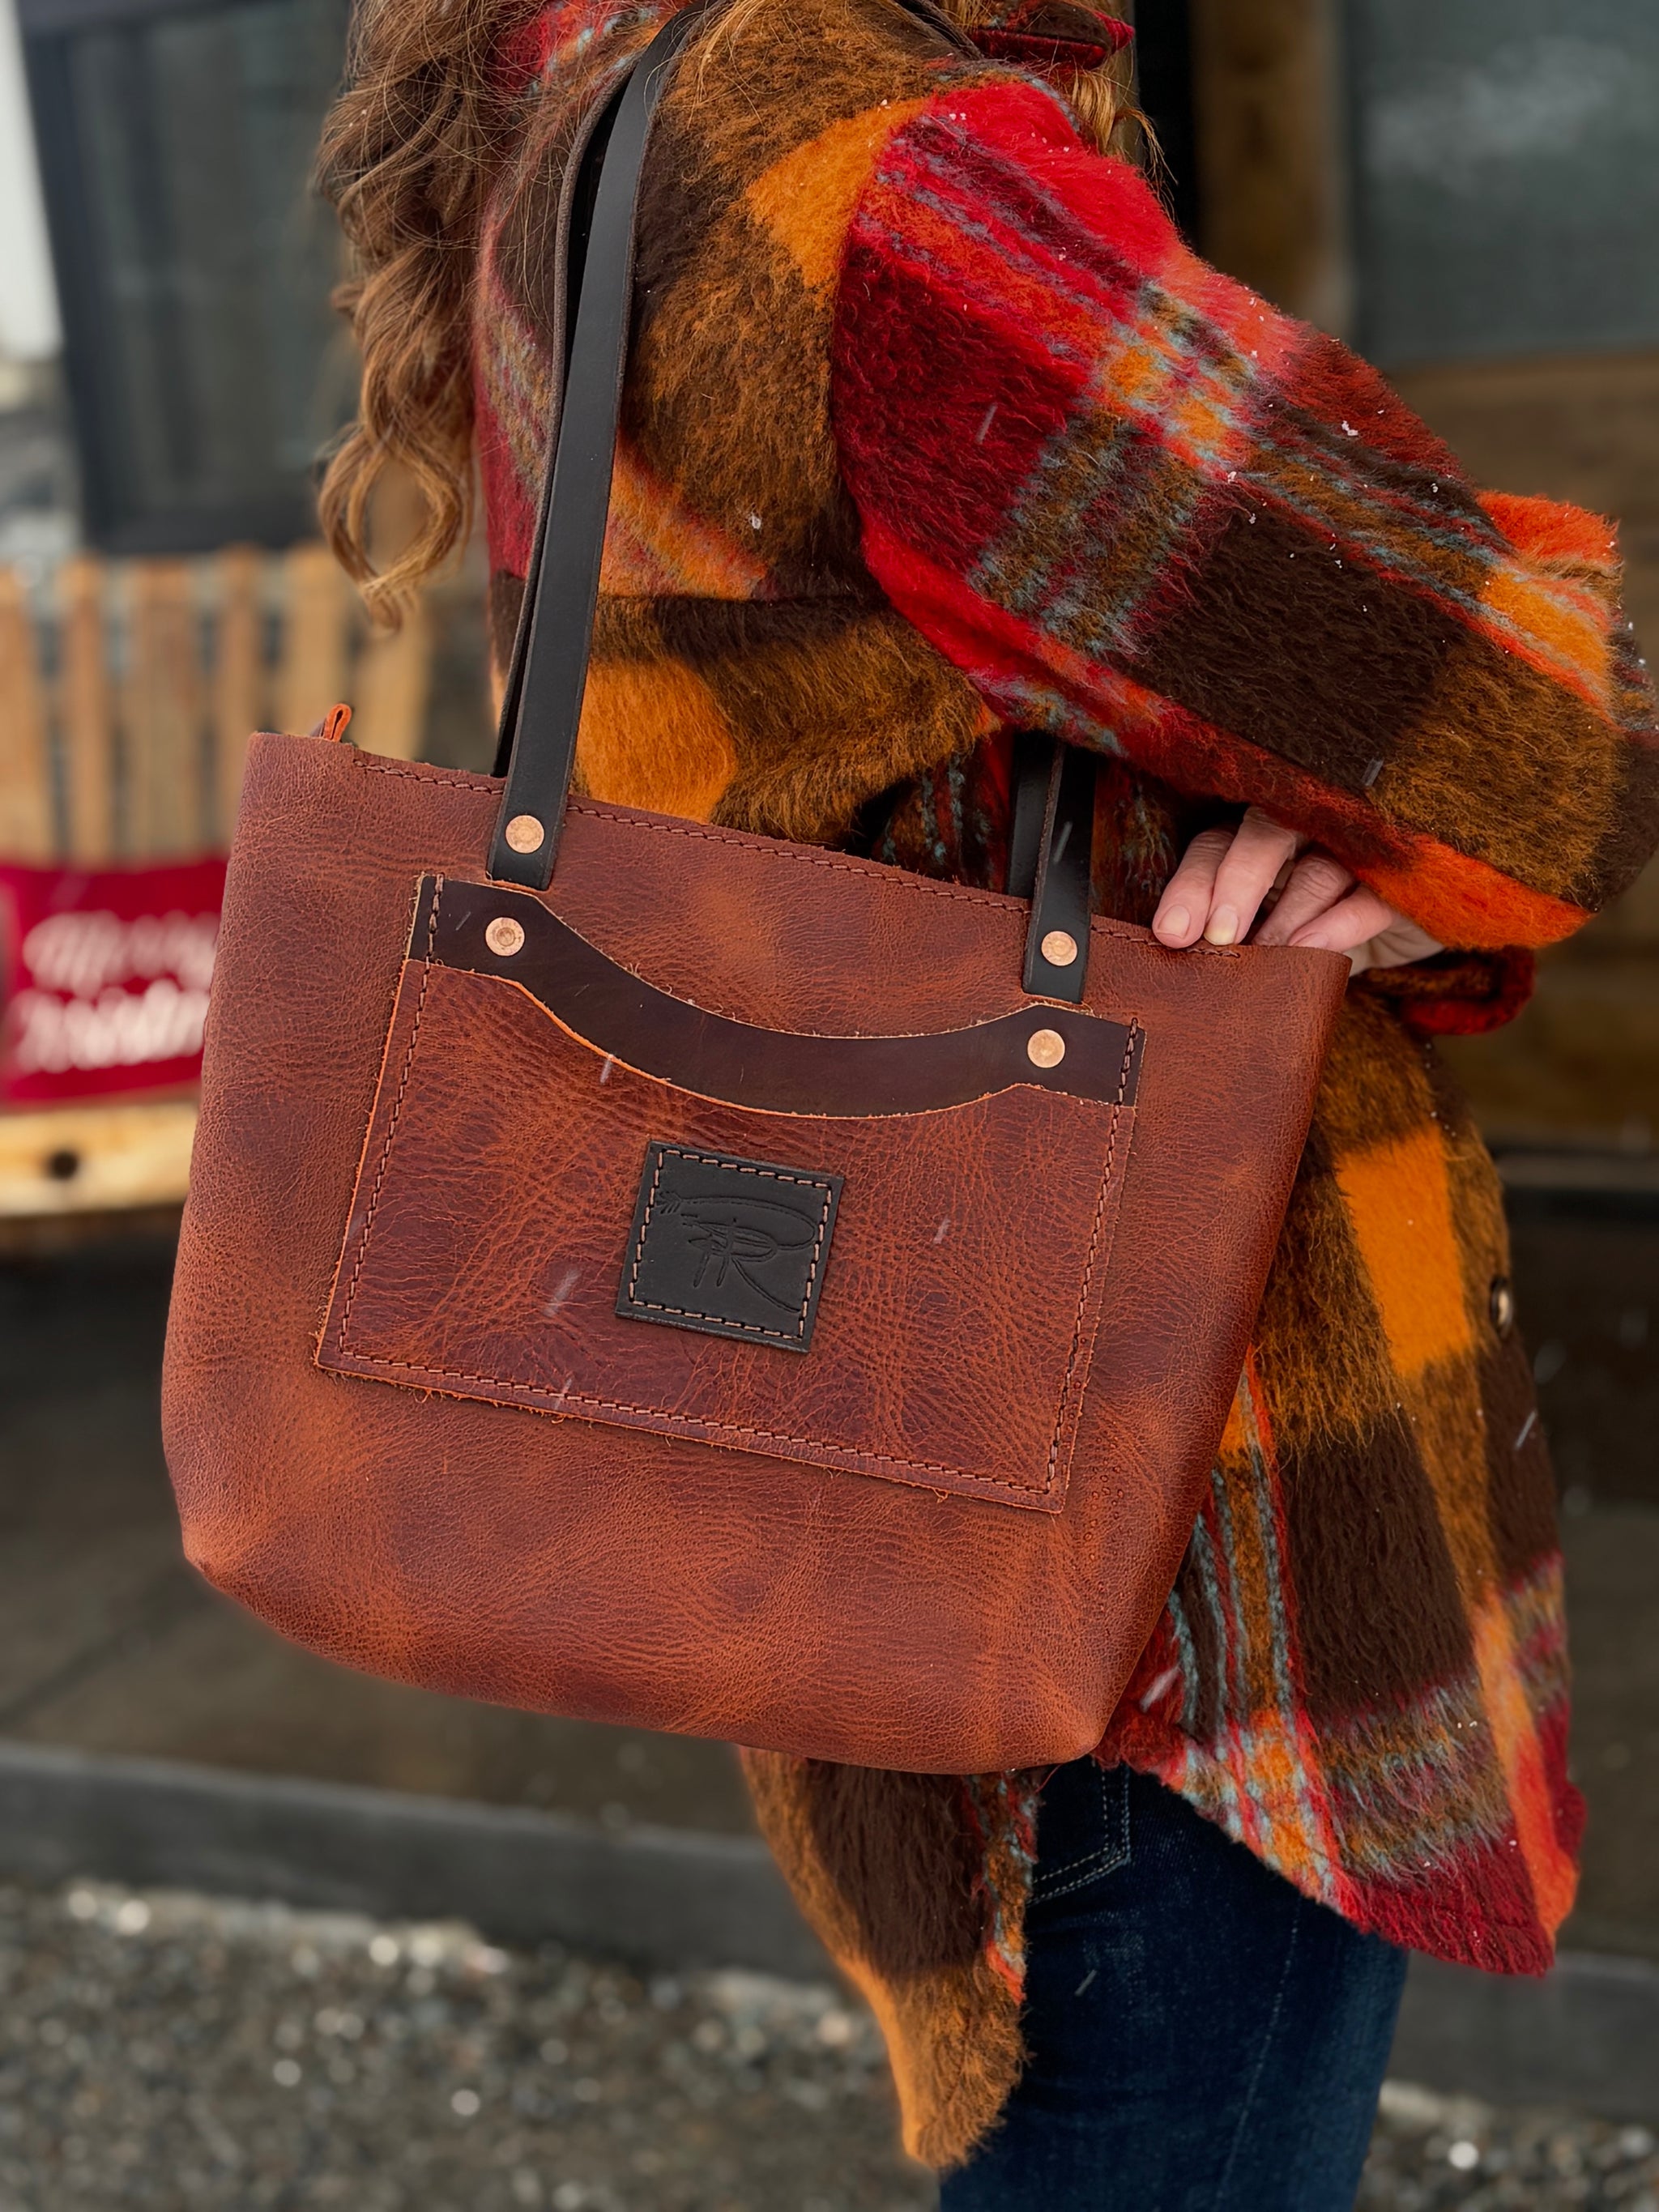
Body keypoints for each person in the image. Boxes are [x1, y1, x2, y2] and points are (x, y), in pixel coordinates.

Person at [314, 0, 1659, 2201]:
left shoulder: (616, 111)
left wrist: (1400, 856)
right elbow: (1522, 717)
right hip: (1177, 1520)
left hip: (917, 1420)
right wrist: (1462, 807)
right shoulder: (889, 176)